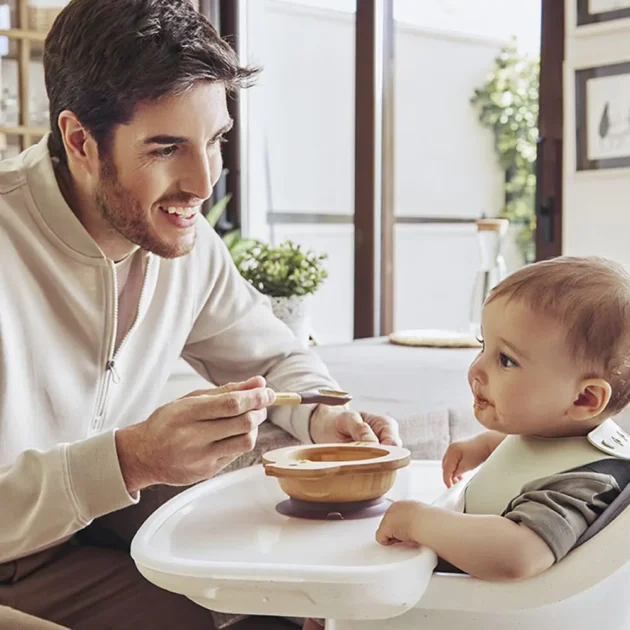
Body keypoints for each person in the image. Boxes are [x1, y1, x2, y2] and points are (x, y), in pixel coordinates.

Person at [0, 1, 401, 628]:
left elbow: (272, 355)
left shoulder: (181, 240)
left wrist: (325, 416)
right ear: (80, 140)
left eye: (215, 140)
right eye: (167, 148)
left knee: (283, 597)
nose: (203, 181)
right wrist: (131, 459)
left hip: (90, 533)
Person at [376, 256, 630, 581]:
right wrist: (483, 446)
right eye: (483, 346)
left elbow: (519, 554)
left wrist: (418, 521)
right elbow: (540, 449)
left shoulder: (587, 482)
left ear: (584, 398)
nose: (475, 370)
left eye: (506, 360)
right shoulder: (563, 431)